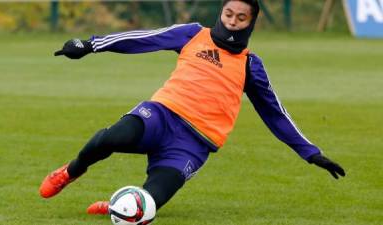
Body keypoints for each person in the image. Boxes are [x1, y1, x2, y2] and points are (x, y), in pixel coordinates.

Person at [40, 0, 345, 215]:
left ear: (251, 22)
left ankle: (119, 206)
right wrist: (90, 45)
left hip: (193, 144)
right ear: (221, 12)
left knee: (152, 200)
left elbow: (274, 113)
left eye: (241, 17)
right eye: (228, 13)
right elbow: (141, 38)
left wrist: (310, 152)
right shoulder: (193, 34)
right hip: (162, 114)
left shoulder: (251, 65)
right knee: (110, 138)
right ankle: (69, 172)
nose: (232, 21)